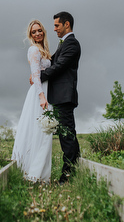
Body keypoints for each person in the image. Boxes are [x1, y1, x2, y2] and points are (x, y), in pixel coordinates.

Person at [40, 11, 81, 184]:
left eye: (57, 25)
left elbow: (59, 66)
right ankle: (74, 171)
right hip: (59, 97)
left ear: (67, 25)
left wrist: (39, 76)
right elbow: (53, 61)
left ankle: (67, 178)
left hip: (64, 97)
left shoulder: (72, 44)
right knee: (67, 135)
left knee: (67, 136)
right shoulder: (63, 44)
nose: (54, 29)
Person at [11, 19, 54, 182]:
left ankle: (41, 172)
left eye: (39, 30)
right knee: (40, 131)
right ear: (30, 35)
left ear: (43, 31)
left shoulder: (44, 50)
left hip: (46, 90)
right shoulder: (34, 50)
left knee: (43, 133)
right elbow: (35, 75)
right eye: (34, 32)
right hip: (39, 94)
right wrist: (41, 97)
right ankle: (31, 171)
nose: (37, 34)